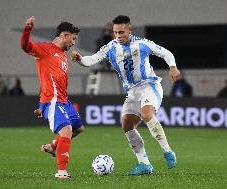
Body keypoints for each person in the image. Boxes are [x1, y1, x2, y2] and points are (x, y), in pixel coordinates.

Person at [72, 15, 180, 175]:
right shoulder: (111, 47)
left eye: (121, 32)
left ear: (130, 30)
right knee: (127, 125)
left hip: (149, 85)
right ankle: (144, 164)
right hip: (132, 91)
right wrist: (81, 59)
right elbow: (92, 59)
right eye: (115, 32)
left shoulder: (142, 44)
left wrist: (172, 67)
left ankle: (167, 151)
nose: (118, 36)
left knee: (147, 114)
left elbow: (166, 53)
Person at [21, 16, 84, 179]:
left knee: (78, 128)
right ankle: (61, 172)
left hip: (63, 101)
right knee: (67, 130)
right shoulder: (44, 50)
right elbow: (25, 47)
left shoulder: (62, 55)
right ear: (64, 35)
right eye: (73, 38)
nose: (74, 42)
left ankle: (53, 147)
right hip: (53, 101)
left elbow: (51, 80)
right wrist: (27, 29)